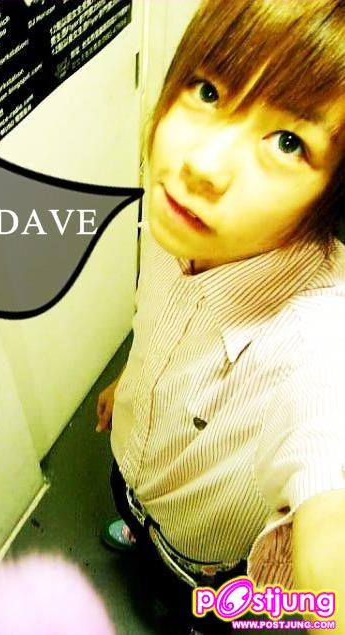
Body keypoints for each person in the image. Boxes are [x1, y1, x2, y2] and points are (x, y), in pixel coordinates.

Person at [96, 0, 345, 632]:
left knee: (183, 604)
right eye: (208, 90)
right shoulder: (180, 221)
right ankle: (134, 528)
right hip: (131, 467)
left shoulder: (320, 336)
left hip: (202, 559)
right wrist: (129, 383)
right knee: (133, 519)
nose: (202, 167)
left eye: (288, 142)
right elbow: (157, 322)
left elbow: (329, 490)